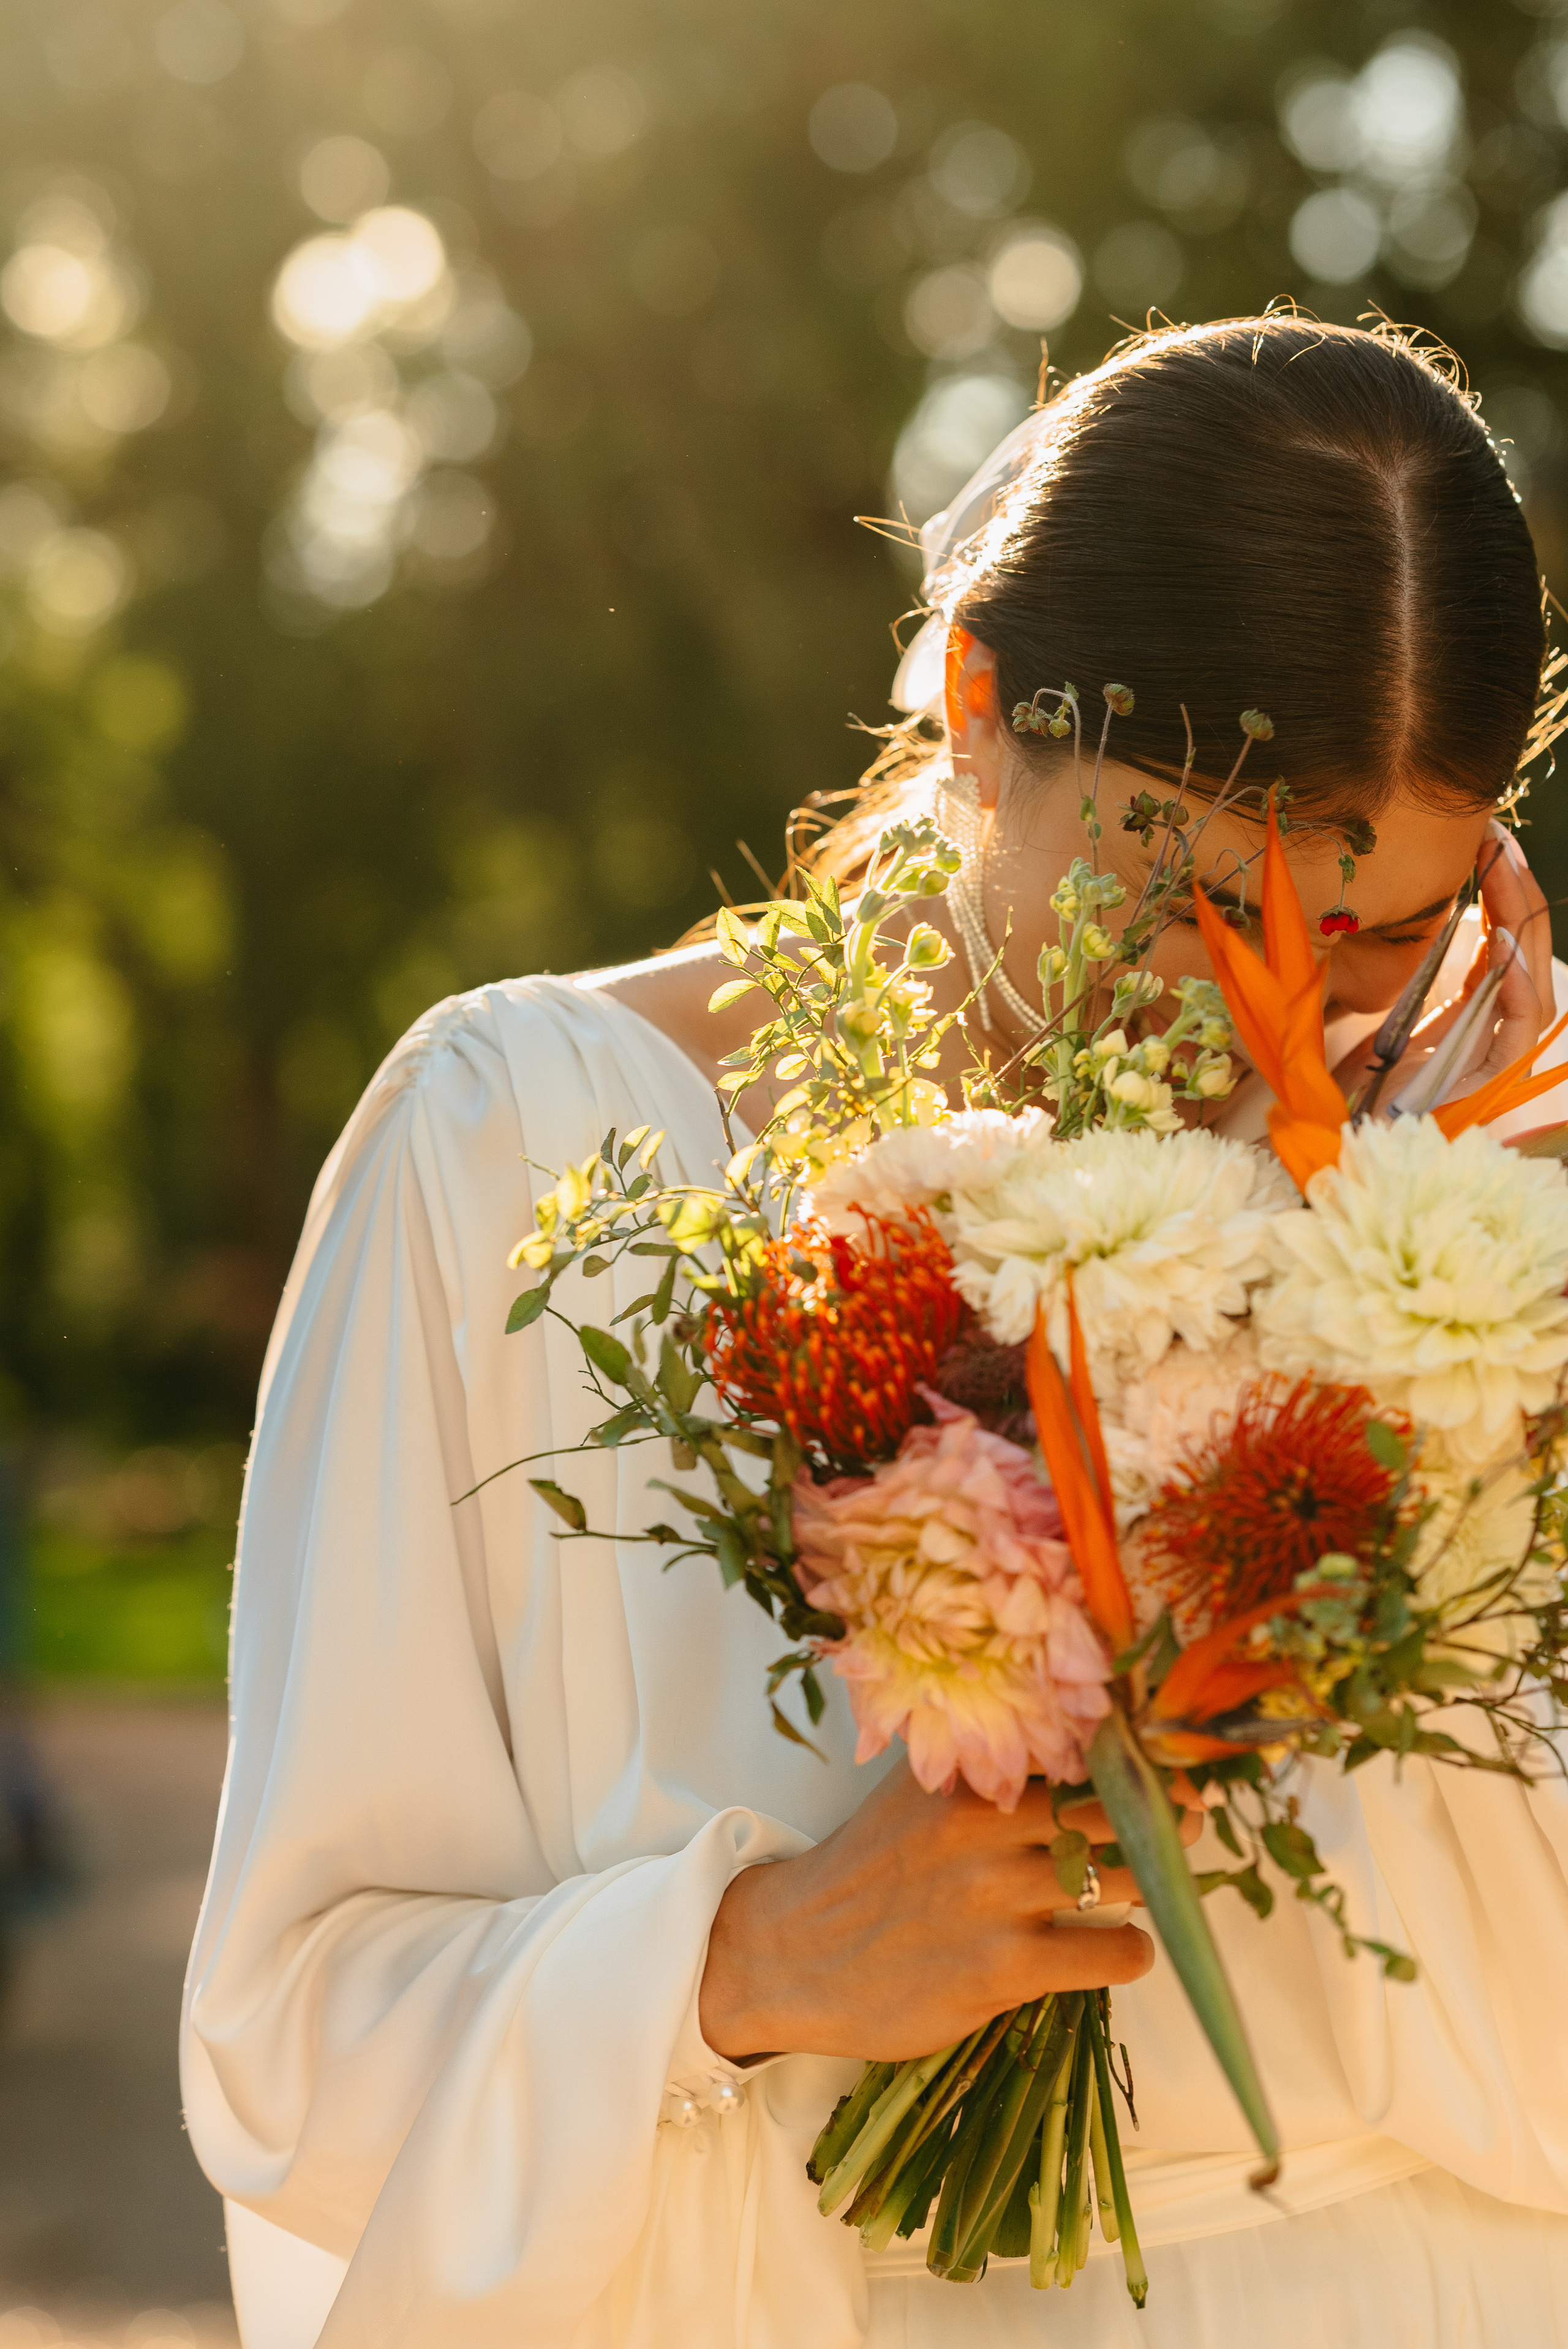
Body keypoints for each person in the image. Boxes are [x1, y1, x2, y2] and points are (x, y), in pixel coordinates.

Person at [181, 317, 1568, 2349]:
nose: (1264, 1019)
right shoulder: (524, 1152)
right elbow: (289, 2036)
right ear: (983, 711)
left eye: (1371, 927)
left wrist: (1465, 1313)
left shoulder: (1466, 1215)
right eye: (1191, 899)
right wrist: (749, 1960)